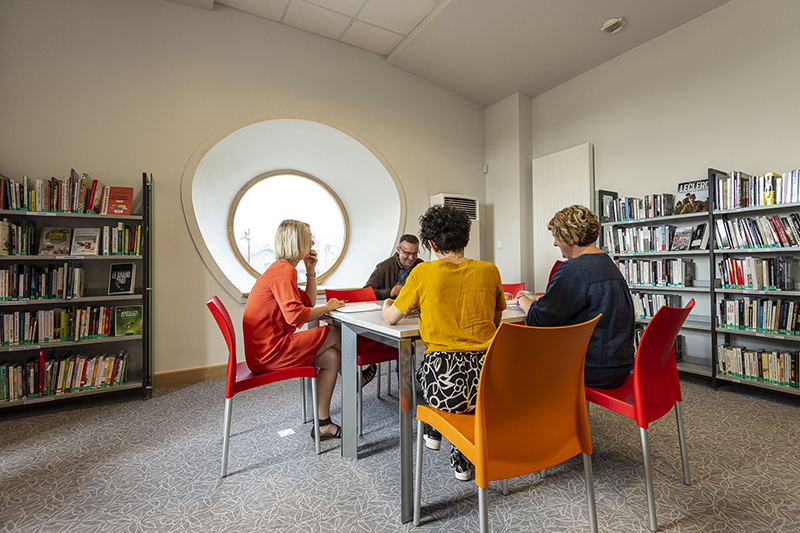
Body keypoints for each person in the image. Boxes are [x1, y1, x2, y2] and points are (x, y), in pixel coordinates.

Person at [382, 205, 505, 481]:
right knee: (469, 397)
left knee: (418, 375)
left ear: (431, 244)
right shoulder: (490, 270)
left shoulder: (422, 274)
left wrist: (388, 302)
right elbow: (496, 318)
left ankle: (435, 428)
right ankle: (459, 451)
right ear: (468, 237)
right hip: (492, 383)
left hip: (445, 386)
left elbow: (391, 318)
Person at [243, 220, 377, 441]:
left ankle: (323, 424)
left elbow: (308, 302)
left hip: (265, 350)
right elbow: (295, 316)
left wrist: (311, 272)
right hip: (269, 353)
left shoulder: (282, 269)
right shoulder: (284, 271)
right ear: (297, 241)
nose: (313, 241)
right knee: (334, 333)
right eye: (309, 237)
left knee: (332, 357)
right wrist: (329, 307)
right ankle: (354, 377)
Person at [516, 205, 635, 389]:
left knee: (519, 355)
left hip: (592, 368)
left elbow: (538, 320)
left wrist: (522, 299)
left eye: (557, 237)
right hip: (620, 363)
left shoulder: (572, 269)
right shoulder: (607, 262)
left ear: (570, 238)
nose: (555, 243)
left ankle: (534, 414)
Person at [365, 234, 424, 299]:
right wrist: (390, 292)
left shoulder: (421, 265)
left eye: (415, 253)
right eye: (407, 253)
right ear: (398, 250)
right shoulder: (382, 267)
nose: (411, 258)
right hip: (390, 307)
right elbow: (366, 293)